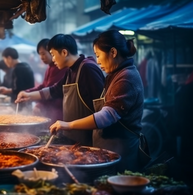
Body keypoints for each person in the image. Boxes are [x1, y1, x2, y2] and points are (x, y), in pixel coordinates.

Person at [49, 30, 144, 172]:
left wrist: (68, 125)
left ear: (113, 52)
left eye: (98, 55)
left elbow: (107, 116)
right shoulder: (115, 74)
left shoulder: (126, 78)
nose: (97, 60)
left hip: (122, 151)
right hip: (108, 149)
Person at [15, 34, 105, 146]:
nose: (53, 59)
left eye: (53, 54)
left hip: (88, 139)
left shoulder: (87, 68)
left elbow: (101, 108)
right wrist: (28, 95)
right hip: (73, 136)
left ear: (64, 52)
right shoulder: (70, 71)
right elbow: (54, 90)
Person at [25, 38, 68, 123]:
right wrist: (27, 92)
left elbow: (52, 91)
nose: (41, 57)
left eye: (43, 54)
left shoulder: (60, 68)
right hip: (50, 111)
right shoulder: (50, 67)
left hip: (58, 112)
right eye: (40, 54)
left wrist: (39, 103)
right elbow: (44, 86)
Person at [0, 47, 35, 112]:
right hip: (28, 103)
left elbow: (18, 89)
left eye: (4, 59)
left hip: (21, 105)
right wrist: (7, 90)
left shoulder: (17, 69)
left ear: (9, 58)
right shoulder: (26, 65)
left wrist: (7, 91)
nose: (5, 62)